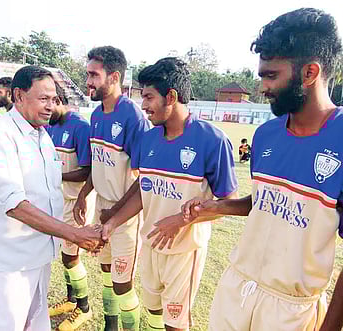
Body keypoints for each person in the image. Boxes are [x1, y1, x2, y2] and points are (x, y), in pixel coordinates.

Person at [180, 8, 343, 330]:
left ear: (310, 73)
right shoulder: (266, 134)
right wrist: (216, 206)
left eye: (271, 75)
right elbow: (265, 202)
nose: (262, 88)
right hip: (236, 288)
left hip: (291, 309)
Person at [101, 57, 238, 331]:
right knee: (153, 310)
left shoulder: (212, 140)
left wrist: (181, 220)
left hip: (184, 252)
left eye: (149, 97)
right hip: (150, 244)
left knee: (175, 324)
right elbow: (144, 190)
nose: (144, 105)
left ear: (171, 96)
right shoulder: (148, 139)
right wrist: (112, 223)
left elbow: (229, 204)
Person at [0, 65, 102, 331]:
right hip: (11, 255)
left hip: (39, 251)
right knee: (9, 323)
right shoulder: (1, 136)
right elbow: (15, 204)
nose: (50, 106)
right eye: (43, 99)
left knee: (35, 318)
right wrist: (74, 234)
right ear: (18, 96)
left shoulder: (41, 134)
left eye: (54, 100)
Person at [73, 46, 150, 331]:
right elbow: (97, 162)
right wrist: (83, 194)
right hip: (103, 208)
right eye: (88, 74)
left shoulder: (132, 116)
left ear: (114, 77)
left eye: (94, 75)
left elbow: (143, 178)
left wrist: (114, 213)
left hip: (125, 214)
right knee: (105, 271)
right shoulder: (95, 115)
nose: (88, 81)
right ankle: (111, 325)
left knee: (123, 283)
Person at [46, 83, 94, 330]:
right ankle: (70, 300)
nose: (44, 108)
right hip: (57, 200)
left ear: (58, 100)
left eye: (48, 102)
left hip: (76, 202)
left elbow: (88, 171)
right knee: (64, 255)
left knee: (70, 257)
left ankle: (84, 308)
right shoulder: (50, 126)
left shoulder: (81, 127)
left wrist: (56, 176)